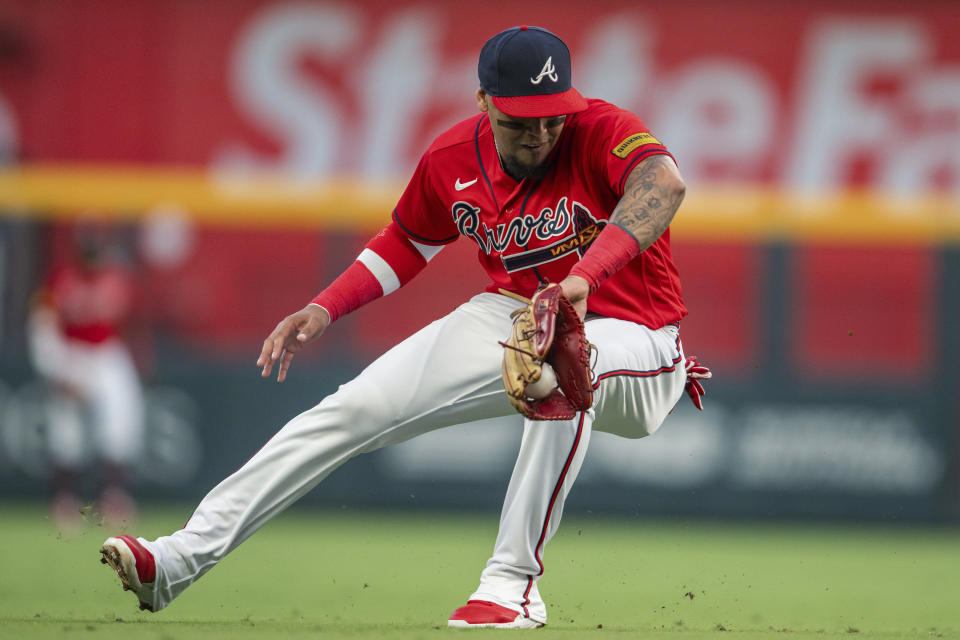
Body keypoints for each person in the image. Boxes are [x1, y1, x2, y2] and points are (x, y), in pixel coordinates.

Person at [99, 25, 707, 628]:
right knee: (353, 409)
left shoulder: (603, 128)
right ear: (484, 103)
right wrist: (326, 306)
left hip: (640, 338)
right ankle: (178, 559)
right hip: (518, 313)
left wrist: (582, 278)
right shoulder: (452, 158)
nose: (542, 133)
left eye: (553, 116)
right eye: (522, 120)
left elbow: (663, 183)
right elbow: (409, 240)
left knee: (560, 362)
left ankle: (512, 585)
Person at [29, 226, 145, 532]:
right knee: (66, 432)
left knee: (119, 425)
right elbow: (42, 327)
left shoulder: (116, 277)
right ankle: (64, 501)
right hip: (71, 354)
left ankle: (113, 498)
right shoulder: (59, 279)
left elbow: (133, 323)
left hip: (107, 354)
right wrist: (57, 369)